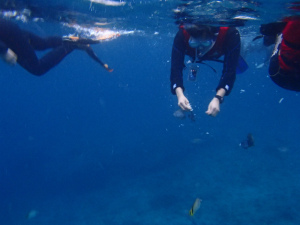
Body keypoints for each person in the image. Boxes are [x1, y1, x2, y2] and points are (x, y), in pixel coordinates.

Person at [170, 23, 242, 117]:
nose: (200, 48)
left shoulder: (231, 34)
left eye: (205, 42)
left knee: (239, 54)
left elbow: (230, 71)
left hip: (222, 49)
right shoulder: (182, 35)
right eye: (194, 42)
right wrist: (179, 95)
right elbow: (175, 68)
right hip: (199, 51)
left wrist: (218, 98)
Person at [0, 18, 113, 75]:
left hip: (7, 35)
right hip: (7, 29)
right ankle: (72, 39)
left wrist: (3, 50)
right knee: (41, 44)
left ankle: (70, 45)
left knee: (37, 69)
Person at [259, 17, 300, 91]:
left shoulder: (291, 25)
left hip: (282, 76)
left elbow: (265, 31)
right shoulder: (292, 25)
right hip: (283, 76)